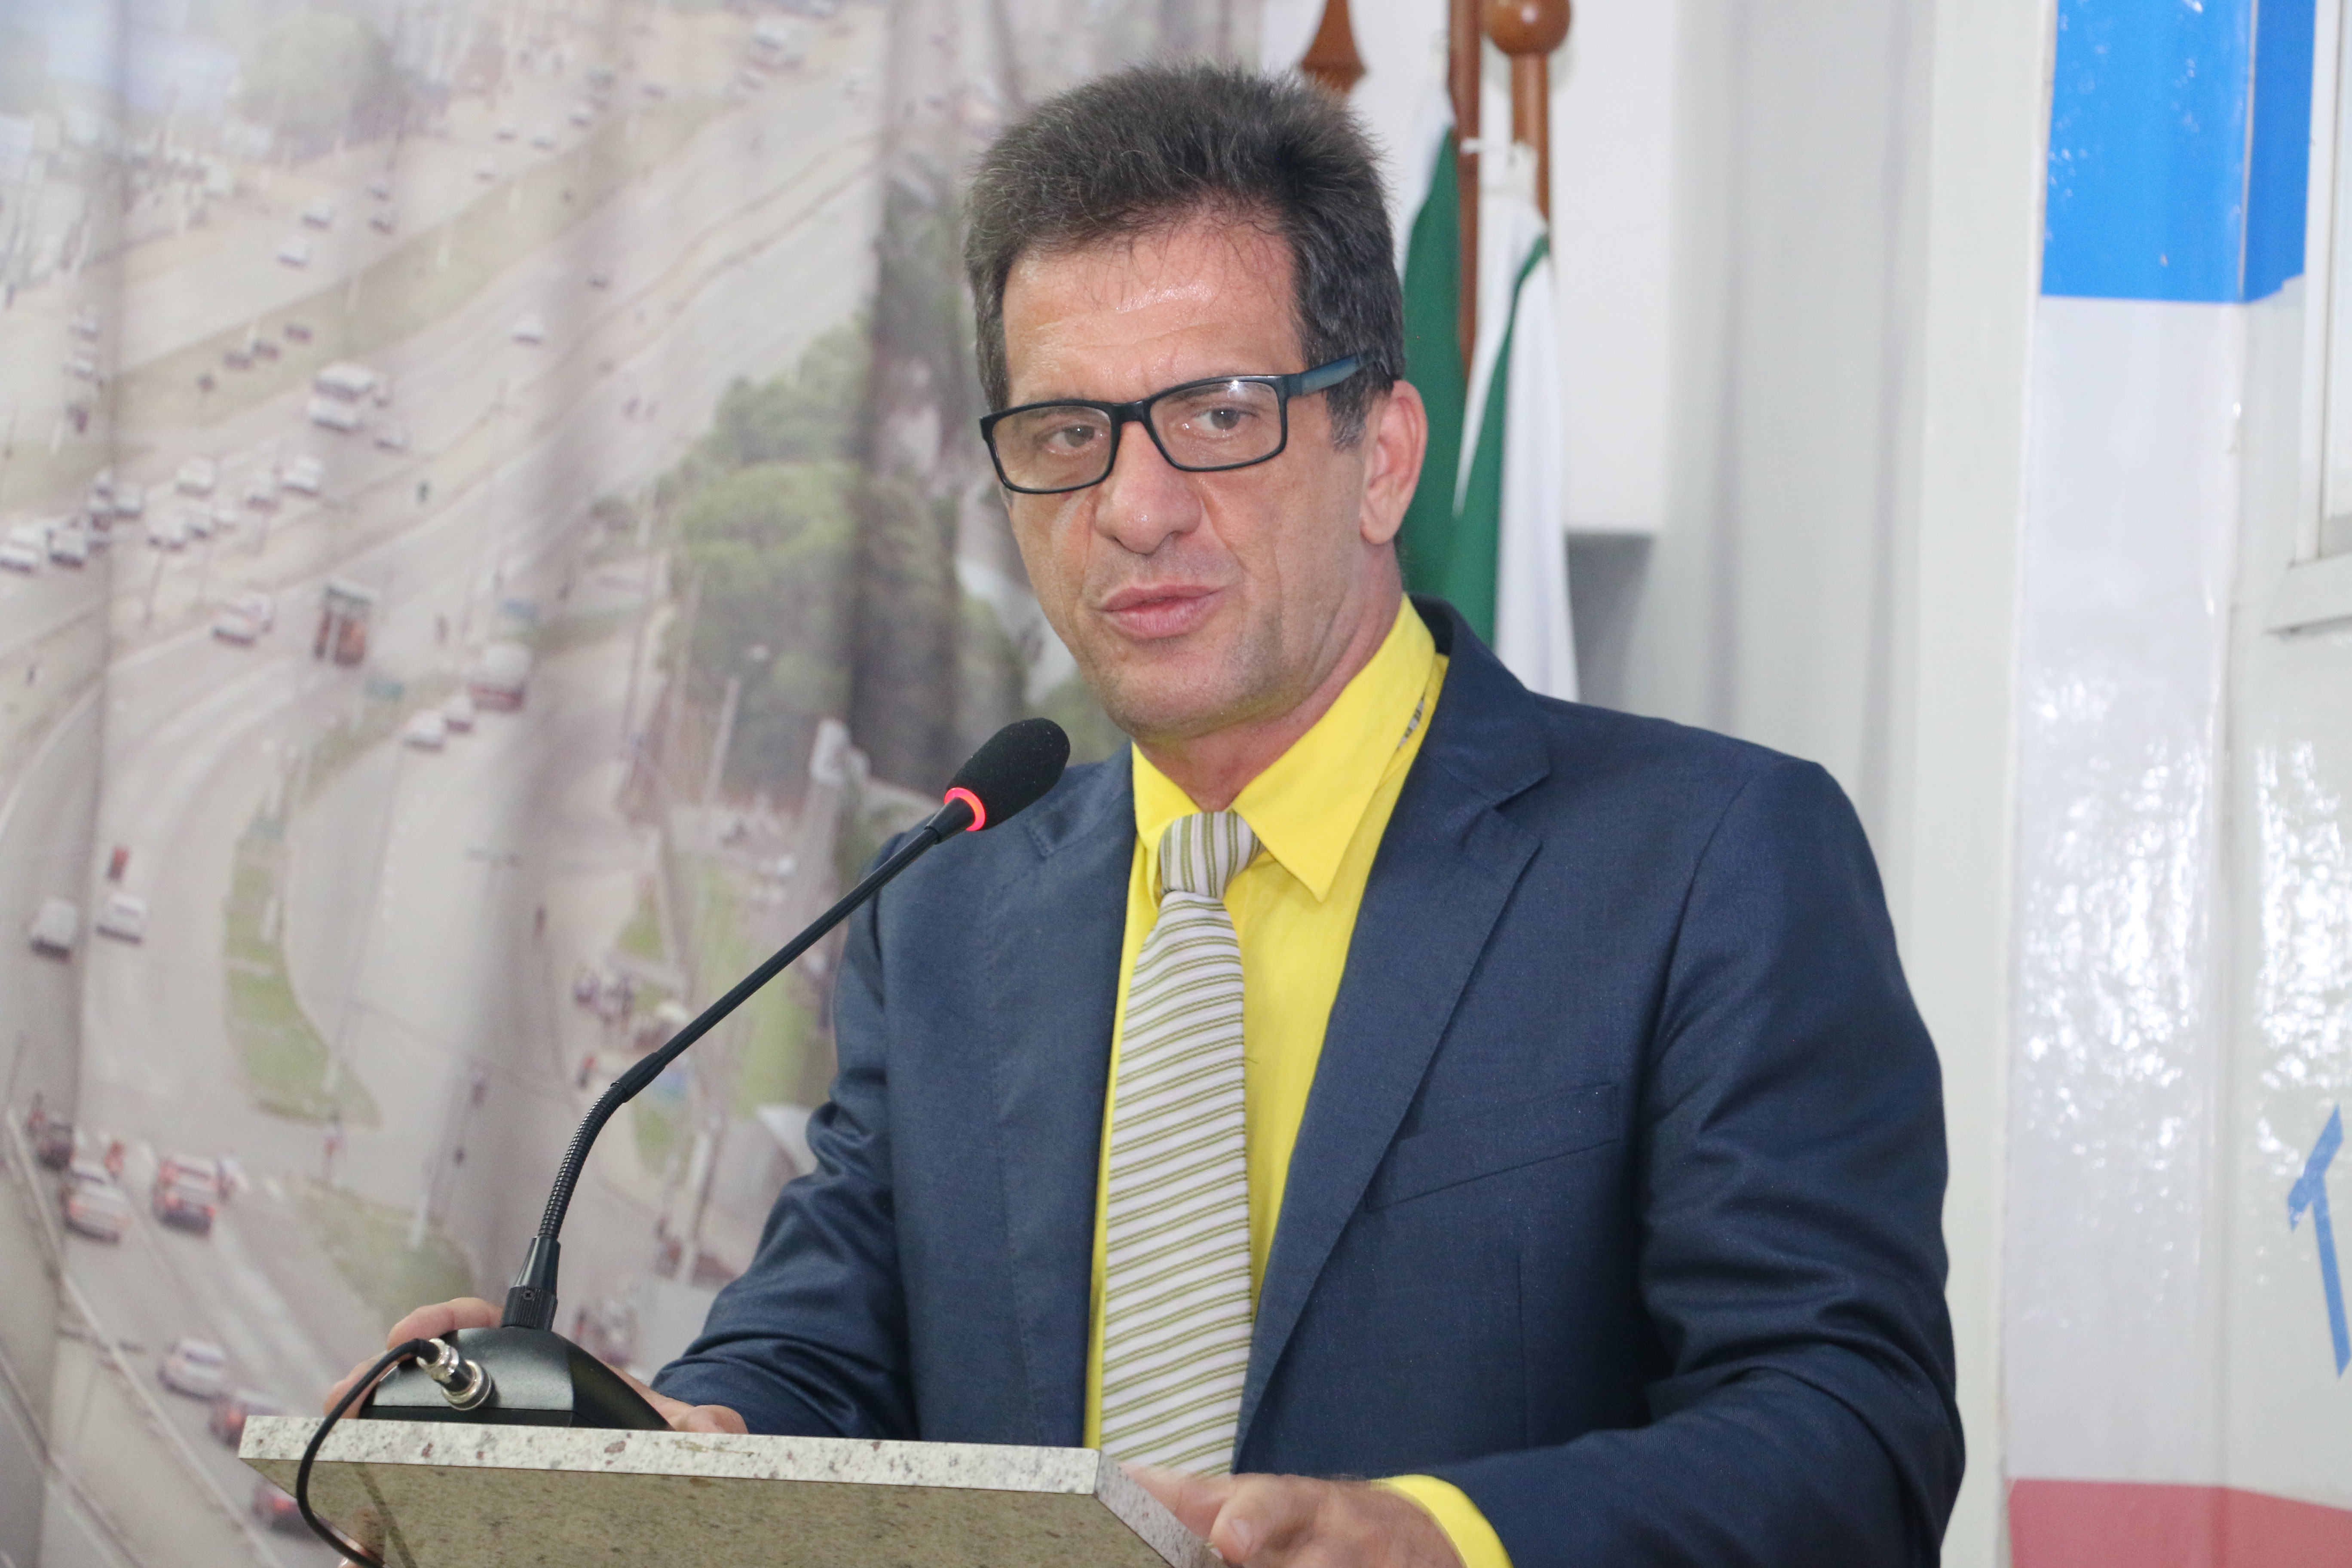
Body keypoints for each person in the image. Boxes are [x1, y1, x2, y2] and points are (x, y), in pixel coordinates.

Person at [341, 64, 1960, 1567]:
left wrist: (1440, 1538)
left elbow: (1849, 1435)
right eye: (1067, 434)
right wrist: (665, 1444)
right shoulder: (951, 906)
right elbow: (826, 1355)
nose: (1132, 507)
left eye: (1220, 413)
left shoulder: (1703, 862)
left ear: (1383, 457)